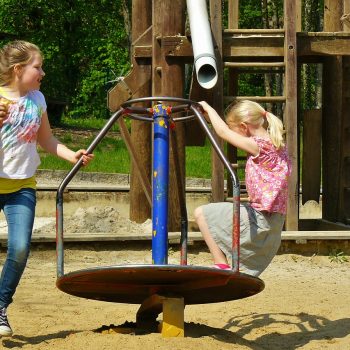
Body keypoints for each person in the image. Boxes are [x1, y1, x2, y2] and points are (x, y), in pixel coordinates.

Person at [0, 40, 94, 337]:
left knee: (19, 249)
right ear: (18, 69)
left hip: (21, 186)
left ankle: (0, 307)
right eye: (37, 67)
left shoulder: (37, 100)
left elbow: (46, 139)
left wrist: (71, 155)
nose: (42, 73)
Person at [194, 100, 291, 276]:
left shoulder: (259, 146)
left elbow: (222, 132)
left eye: (234, 130)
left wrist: (208, 107)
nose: (233, 135)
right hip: (275, 222)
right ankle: (227, 265)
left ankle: (221, 264)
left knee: (201, 213)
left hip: (260, 220)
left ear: (244, 127)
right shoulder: (277, 146)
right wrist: (210, 118)